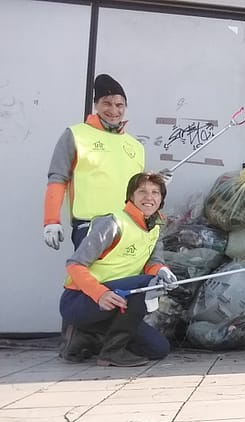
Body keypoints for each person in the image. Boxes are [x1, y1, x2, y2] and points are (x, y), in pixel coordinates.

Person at [43, 74, 171, 251]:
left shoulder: (135, 145)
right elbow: (58, 178)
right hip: (90, 226)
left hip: (129, 225)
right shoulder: (75, 135)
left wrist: (156, 180)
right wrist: (51, 221)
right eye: (107, 103)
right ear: (96, 105)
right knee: (87, 277)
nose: (114, 110)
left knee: (120, 278)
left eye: (119, 105)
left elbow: (135, 188)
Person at [60, 172, 176, 366]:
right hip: (81, 301)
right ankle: (112, 352)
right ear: (131, 196)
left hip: (119, 302)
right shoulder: (113, 223)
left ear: (161, 198)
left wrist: (161, 271)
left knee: (158, 349)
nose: (149, 197)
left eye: (155, 192)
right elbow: (74, 264)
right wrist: (101, 294)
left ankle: (89, 337)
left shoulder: (155, 226)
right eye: (142, 192)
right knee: (147, 284)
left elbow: (153, 262)